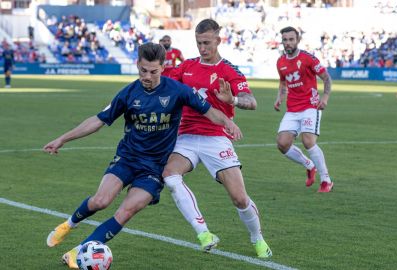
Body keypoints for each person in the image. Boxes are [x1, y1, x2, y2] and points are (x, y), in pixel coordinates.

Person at [43, 42, 242, 269]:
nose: (147, 76)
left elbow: (210, 112)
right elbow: (98, 121)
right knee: (101, 200)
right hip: (127, 158)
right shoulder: (128, 93)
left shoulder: (178, 91)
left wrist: (227, 122)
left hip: (155, 167)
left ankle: (77, 253)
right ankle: (69, 224)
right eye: (143, 70)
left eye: (153, 71)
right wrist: (63, 138)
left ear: (163, 67)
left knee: (126, 211)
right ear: (138, 65)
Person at [163, 19, 272, 258]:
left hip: (216, 137)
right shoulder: (187, 66)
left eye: (207, 43)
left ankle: (257, 238)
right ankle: (204, 233)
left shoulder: (228, 70)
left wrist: (232, 100)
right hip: (187, 136)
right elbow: (163, 83)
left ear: (218, 41)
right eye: (199, 43)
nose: (203, 48)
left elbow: (251, 102)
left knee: (239, 198)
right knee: (170, 175)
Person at [274, 26, 333, 193]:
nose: (288, 43)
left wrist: (325, 98)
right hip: (292, 109)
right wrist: (280, 97)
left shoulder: (308, 59)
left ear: (297, 40)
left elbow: (326, 78)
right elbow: (283, 82)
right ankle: (309, 165)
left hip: (310, 106)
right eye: (285, 40)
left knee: (308, 141)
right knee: (282, 144)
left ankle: (326, 180)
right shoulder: (280, 62)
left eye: (291, 39)